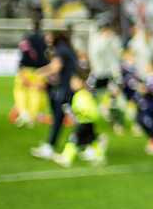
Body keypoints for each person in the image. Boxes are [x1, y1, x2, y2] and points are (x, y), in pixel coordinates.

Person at [29, 30, 79, 161]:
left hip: (67, 90)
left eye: (49, 35)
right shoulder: (64, 48)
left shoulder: (61, 49)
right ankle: (51, 146)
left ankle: (91, 142)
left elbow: (55, 68)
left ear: (55, 36)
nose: (47, 38)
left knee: (65, 118)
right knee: (63, 118)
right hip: (69, 89)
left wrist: (38, 73)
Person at [52, 66, 108, 168]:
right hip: (87, 122)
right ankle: (99, 156)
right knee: (92, 140)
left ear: (81, 82)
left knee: (73, 139)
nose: (72, 84)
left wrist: (81, 113)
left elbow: (90, 110)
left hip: (84, 123)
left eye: (74, 81)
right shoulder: (81, 94)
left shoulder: (82, 95)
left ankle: (66, 158)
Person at [10, 17, 49, 127]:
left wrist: (20, 69)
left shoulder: (26, 38)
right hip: (41, 70)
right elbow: (48, 54)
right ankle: (32, 118)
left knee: (20, 90)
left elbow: (23, 53)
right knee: (36, 92)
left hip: (26, 69)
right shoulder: (44, 39)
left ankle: (23, 113)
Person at [89, 22, 126, 134]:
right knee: (91, 97)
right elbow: (96, 53)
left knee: (114, 98)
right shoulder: (96, 39)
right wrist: (106, 40)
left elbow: (118, 54)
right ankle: (90, 118)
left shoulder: (114, 39)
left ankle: (117, 123)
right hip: (99, 73)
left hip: (111, 73)